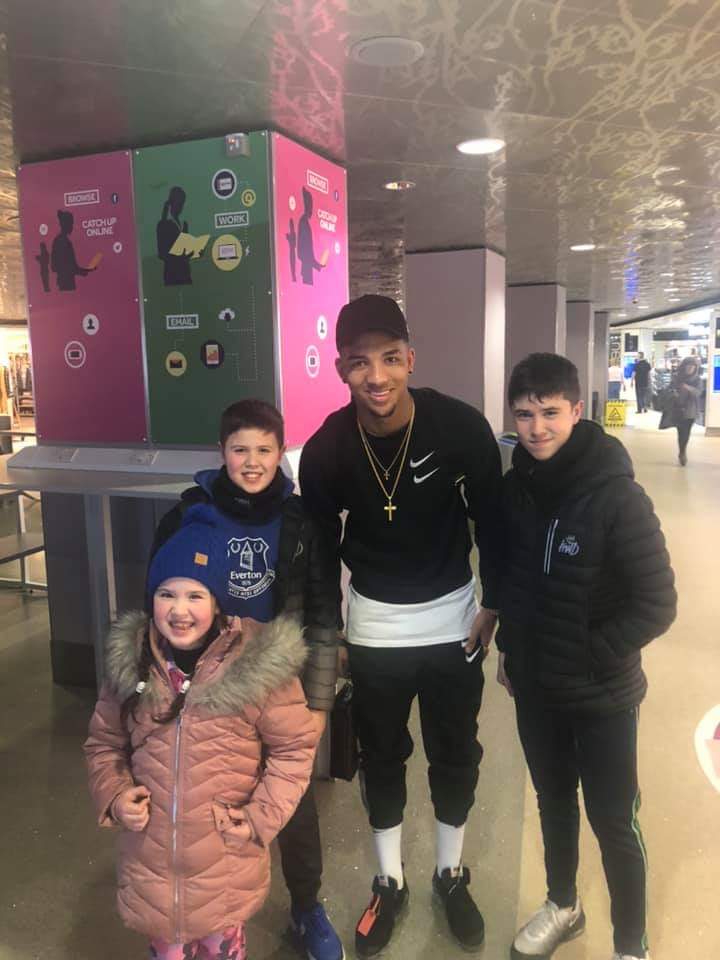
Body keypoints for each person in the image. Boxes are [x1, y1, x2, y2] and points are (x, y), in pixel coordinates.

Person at [299, 294, 503, 958]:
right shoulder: (328, 448)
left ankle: (449, 873)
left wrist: (494, 602)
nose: (377, 377)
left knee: (455, 754)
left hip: (453, 628)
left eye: (390, 359)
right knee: (381, 759)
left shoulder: (460, 428)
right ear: (340, 369)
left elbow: (496, 523)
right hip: (377, 632)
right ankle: (389, 882)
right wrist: (331, 639)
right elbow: (322, 553)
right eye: (360, 363)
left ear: (411, 359)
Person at [497, 353, 677, 960]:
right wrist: (511, 648)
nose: (537, 428)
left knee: (614, 822)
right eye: (524, 415)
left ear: (578, 410)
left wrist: (590, 656)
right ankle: (563, 905)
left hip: (601, 696)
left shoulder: (617, 497)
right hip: (537, 690)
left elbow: (656, 603)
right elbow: (511, 578)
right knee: (552, 803)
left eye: (550, 413)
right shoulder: (514, 489)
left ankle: (631, 945)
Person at [151, 398, 344, 960]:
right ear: (222, 452)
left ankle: (306, 905)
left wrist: (320, 699)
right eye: (240, 450)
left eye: (264, 449)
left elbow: (323, 613)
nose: (252, 462)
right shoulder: (188, 515)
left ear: (281, 452)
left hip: (278, 687)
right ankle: (203, 914)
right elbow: (158, 607)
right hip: (208, 689)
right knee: (204, 801)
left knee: (293, 803)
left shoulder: (302, 521)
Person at [84, 509, 320, 960]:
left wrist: (258, 818)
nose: (179, 609)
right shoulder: (132, 665)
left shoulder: (256, 667)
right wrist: (114, 794)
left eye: (195, 594)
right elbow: (103, 743)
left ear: (217, 602)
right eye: (166, 593)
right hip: (152, 868)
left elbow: (294, 749)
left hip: (224, 867)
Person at [672, 357, 703, 466]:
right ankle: (682, 451)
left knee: (686, 432)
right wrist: (674, 393)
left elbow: (698, 392)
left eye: (692, 366)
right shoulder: (677, 377)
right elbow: (671, 389)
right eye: (688, 366)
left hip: (691, 410)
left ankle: (682, 451)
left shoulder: (697, 380)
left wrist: (687, 387)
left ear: (695, 368)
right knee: (681, 432)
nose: (690, 368)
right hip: (678, 409)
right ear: (684, 367)